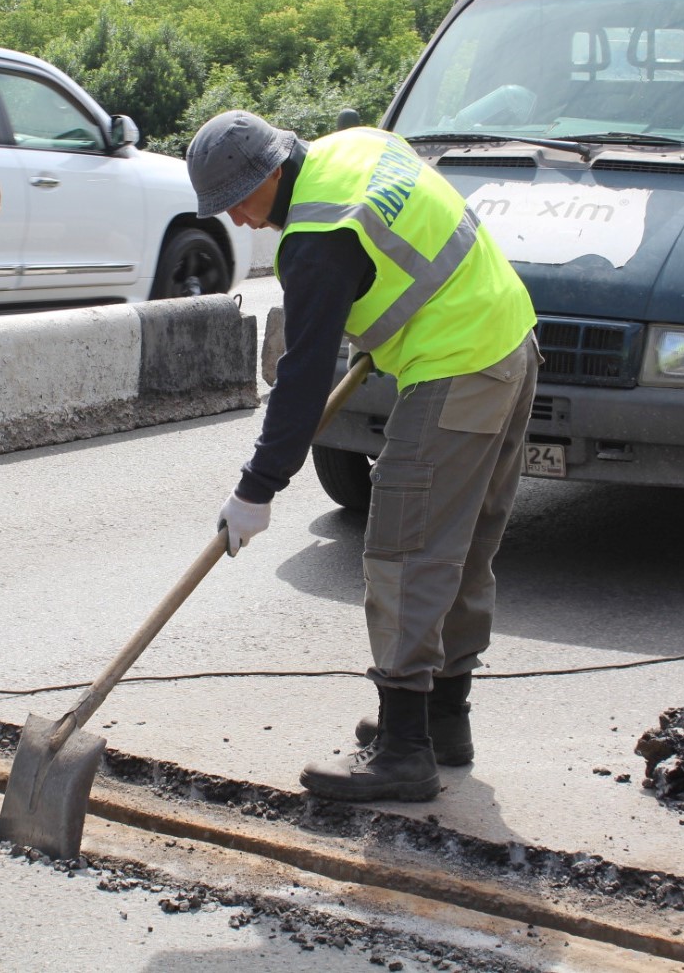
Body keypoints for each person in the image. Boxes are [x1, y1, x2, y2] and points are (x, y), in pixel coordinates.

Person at [186, 110, 538, 804]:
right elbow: (408, 243)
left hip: (458, 363)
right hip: (511, 339)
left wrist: (257, 489)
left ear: (273, 174)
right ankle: (444, 723)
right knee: (458, 549)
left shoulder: (318, 241)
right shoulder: (357, 147)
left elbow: (302, 378)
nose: (240, 223)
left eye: (239, 204)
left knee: (406, 550)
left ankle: (405, 750)